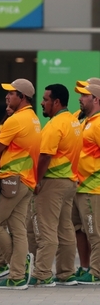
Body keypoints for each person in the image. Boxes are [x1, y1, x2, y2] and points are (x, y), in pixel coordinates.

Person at [0, 78, 41, 290]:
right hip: (26, 181)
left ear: (22, 97)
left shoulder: (15, 120)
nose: (7, 96)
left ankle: (18, 266)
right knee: (18, 230)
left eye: (11, 93)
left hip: (11, 180)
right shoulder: (34, 119)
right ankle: (17, 276)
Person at [26, 84, 81, 287]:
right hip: (68, 182)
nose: (42, 102)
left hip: (52, 181)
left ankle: (42, 274)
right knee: (65, 228)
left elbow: (45, 156)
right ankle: (66, 272)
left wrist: (36, 180)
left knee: (47, 229)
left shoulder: (55, 125)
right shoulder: (73, 122)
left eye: (45, 99)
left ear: (56, 102)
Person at [72, 83, 100, 284]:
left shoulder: (98, 124)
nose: (80, 98)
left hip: (93, 187)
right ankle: (84, 267)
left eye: (85, 95)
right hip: (77, 186)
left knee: (94, 230)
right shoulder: (84, 121)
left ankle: (96, 271)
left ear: (96, 99)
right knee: (79, 229)